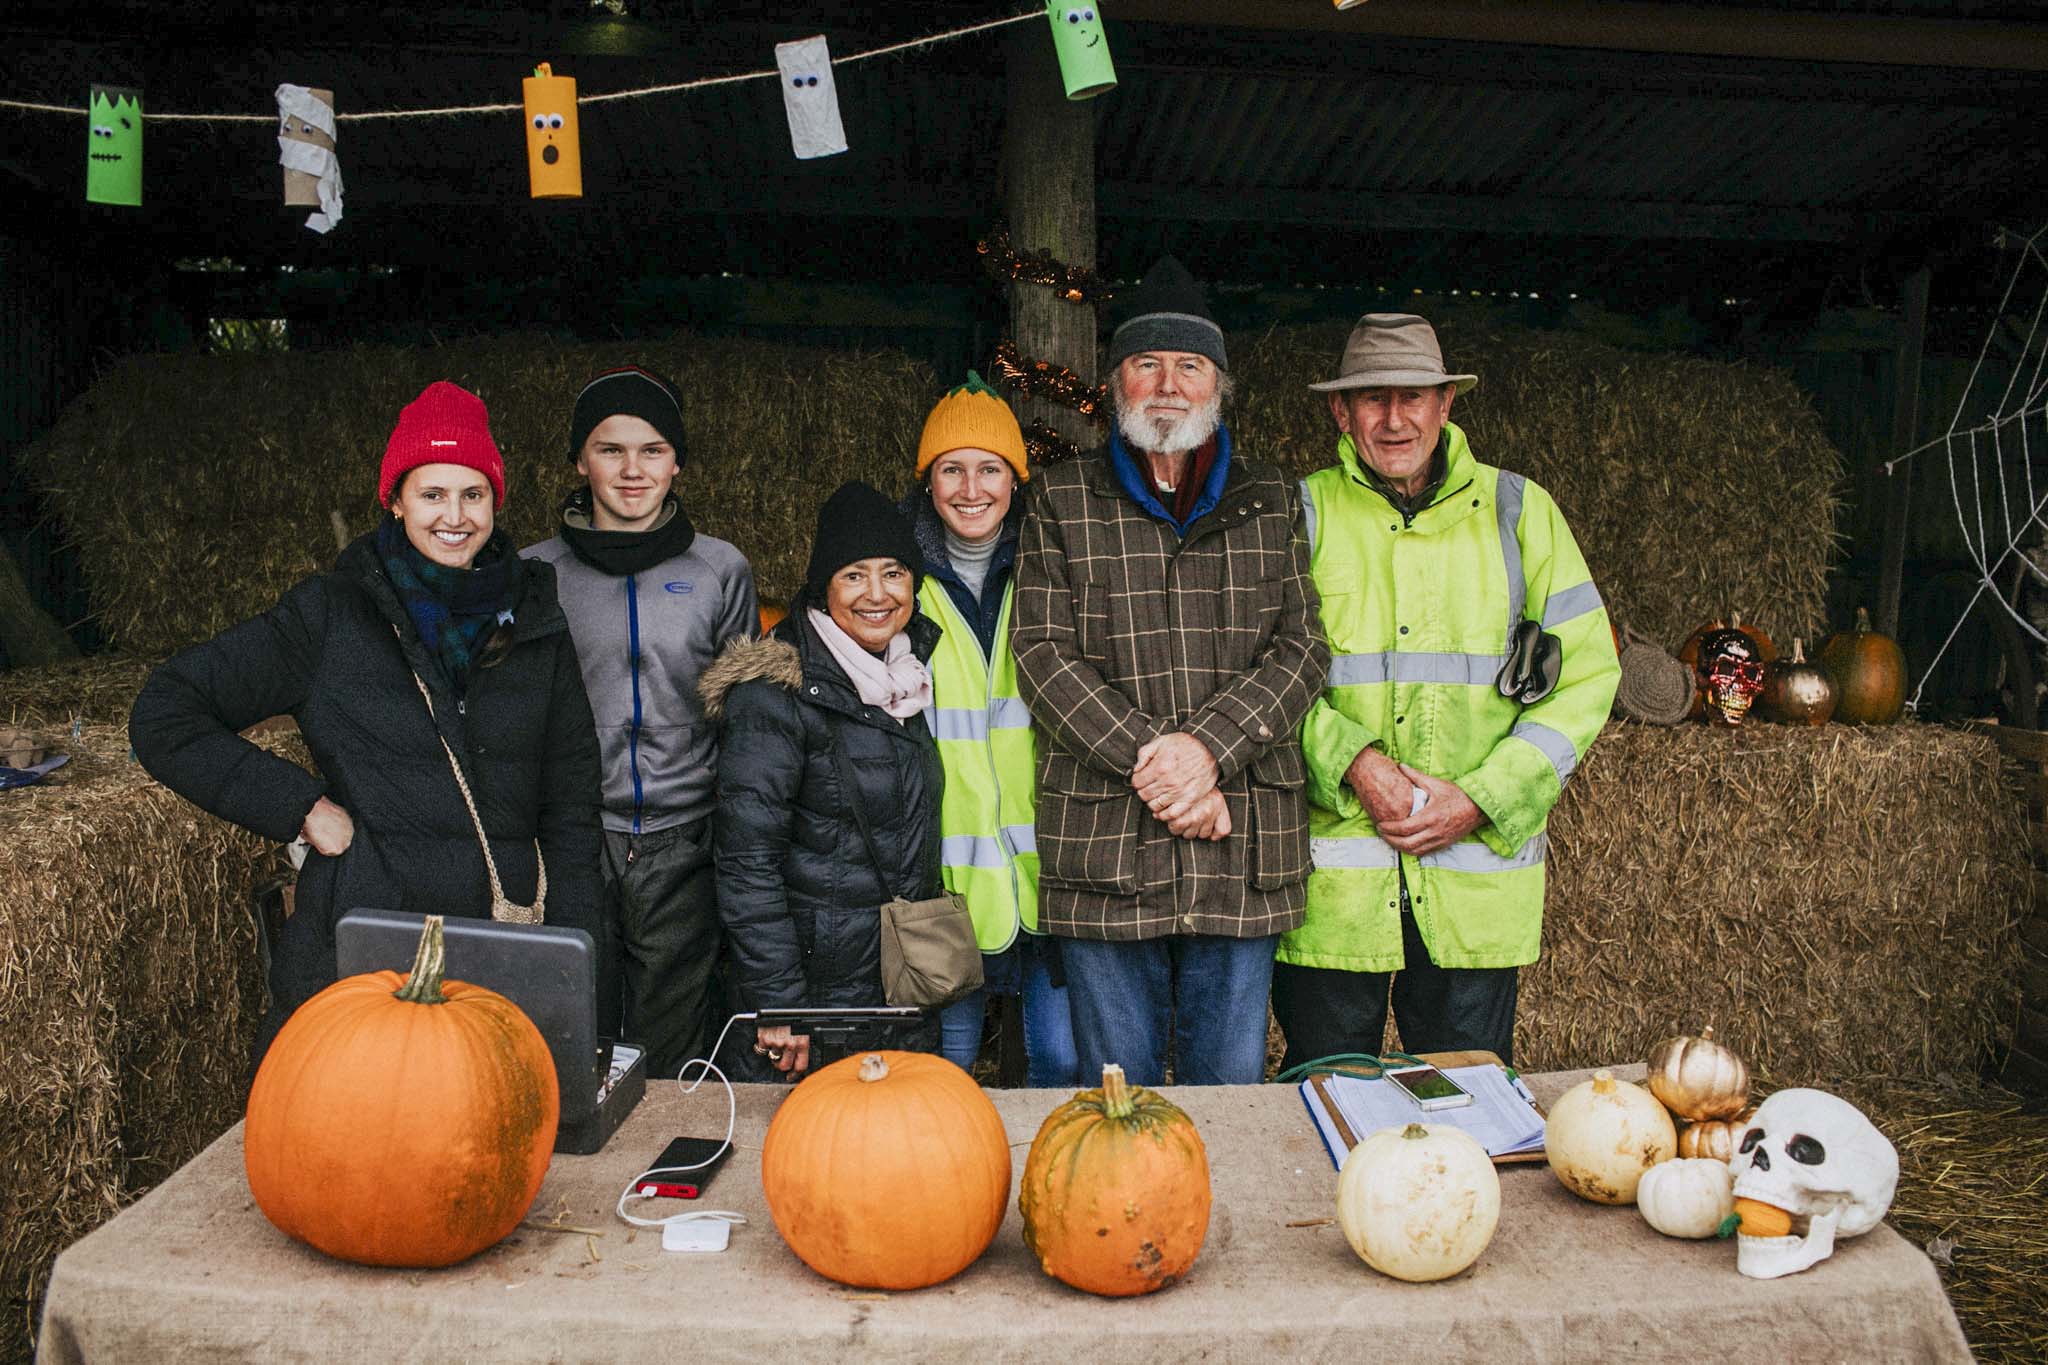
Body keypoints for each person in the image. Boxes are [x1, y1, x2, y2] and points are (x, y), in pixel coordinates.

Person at [130, 380, 606, 1062]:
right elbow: (165, 712)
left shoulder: (535, 620)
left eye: (473, 494)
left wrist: (575, 964)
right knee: (358, 1145)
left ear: (496, 502)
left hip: (504, 960)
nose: (455, 515)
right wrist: (300, 807)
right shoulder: (330, 615)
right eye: (432, 493)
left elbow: (570, 803)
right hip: (366, 960)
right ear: (395, 499)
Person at [1012, 257, 1329, 1088]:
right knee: (1114, 1105)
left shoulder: (1269, 497)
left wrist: (1210, 753)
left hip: (1242, 847)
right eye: (1146, 363)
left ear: (1216, 383)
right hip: (1108, 848)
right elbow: (1042, 654)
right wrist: (1163, 764)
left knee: (1230, 1098)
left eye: (1188, 365)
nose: (1167, 384)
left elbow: (1302, 649)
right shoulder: (1060, 499)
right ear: (1117, 379)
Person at [1274, 314, 1620, 1068]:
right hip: (1335, 890)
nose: (1394, 419)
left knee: (1472, 1116)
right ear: (1341, 411)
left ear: (1445, 404)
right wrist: (1354, 763)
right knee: (1328, 1093)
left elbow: (1589, 674)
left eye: (1413, 397)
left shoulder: (1520, 513)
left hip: (1474, 878)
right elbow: (1257, 672)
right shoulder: (1299, 515)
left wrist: (1484, 797)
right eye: (1371, 399)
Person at [523, 366, 756, 1079]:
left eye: (652, 450)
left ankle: (658, 1183)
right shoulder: (535, 573)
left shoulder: (720, 569)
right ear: (579, 461)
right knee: (571, 1035)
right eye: (610, 449)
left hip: (682, 842)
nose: (632, 469)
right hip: (573, 837)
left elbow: (743, 715)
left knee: (670, 1042)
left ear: (677, 461)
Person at [699, 481, 944, 1078]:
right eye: (854, 575)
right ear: (823, 588)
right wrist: (781, 1003)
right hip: (813, 999)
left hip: (890, 988)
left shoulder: (904, 682)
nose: (878, 594)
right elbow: (746, 863)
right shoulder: (773, 698)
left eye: (893, 573)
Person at [902, 373, 1079, 1087]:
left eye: (989, 468)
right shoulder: (898, 583)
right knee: (946, 1066)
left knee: (1062, 1060)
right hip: (948, 879)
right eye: (951, 469)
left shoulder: (1054, 571)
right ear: (927, 482)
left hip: (1049, 873)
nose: (970, 488)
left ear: (1016, 480)